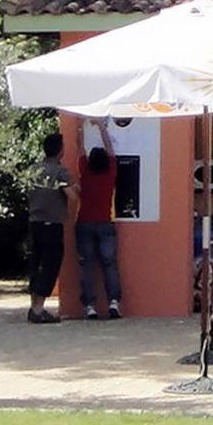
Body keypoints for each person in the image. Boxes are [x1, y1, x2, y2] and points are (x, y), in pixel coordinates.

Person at [75, 118, 123, 319]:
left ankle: (90, 307)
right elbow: (111, 149)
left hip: (84, 223)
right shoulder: (110, 173)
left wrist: (80, 126)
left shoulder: (85, 173)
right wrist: (102, 127)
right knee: (109, 264)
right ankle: (113, 303)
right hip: (105, 223)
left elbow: (80, 148)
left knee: (87, 265)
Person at [27, 131, 76, 323]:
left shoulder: (33, 170)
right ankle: (39, 310)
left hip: (34, 222)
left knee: (36, 264)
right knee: (50, 266)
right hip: (52, 224)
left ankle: (34, 307)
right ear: (60, 151)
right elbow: (72, 195)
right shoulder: (59, 172)